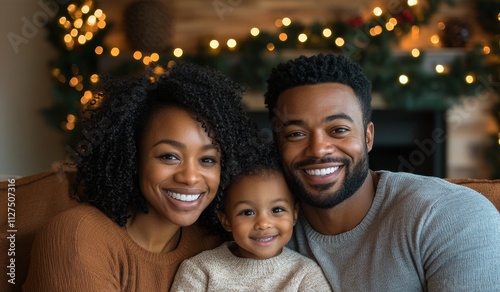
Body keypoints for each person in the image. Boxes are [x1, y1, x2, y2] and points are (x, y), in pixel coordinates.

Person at [264, 53, 500, 291]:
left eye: (338, 130)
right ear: (277, 144)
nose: (318, 149)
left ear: (368, 137)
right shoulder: (261, 229)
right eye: (296, 134)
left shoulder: (450, 217)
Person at [23, 61, 260, 291]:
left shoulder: (216, 247)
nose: (190, 177)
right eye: (169, 156)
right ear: (134, 158)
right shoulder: (78, 236)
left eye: (207, 160)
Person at [170, 144, 332, 291]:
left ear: (294, 214)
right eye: (247, 212)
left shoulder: (304, 274)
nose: (263, 224)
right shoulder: (201, 271)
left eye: (277, 209)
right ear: (226, 220)